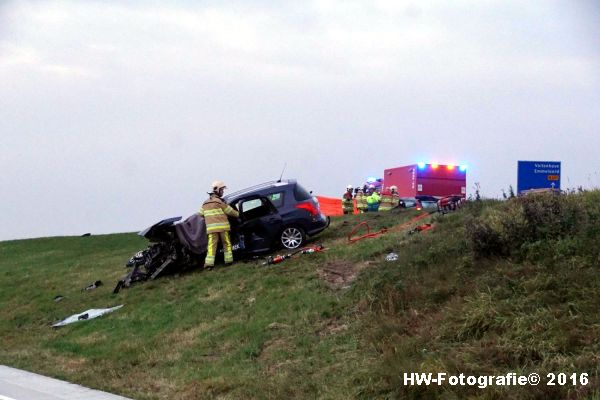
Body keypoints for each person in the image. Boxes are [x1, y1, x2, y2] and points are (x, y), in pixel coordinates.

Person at [199, 180, 239, 269]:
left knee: (211, 246)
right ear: (218, 190)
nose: (223, 192)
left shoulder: (205, 203)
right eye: (222, 190)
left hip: (211, 230)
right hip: (223, 228)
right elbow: (230, 211)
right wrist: (238, 214)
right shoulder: (220, 202)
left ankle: (209, 264)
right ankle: (228, 261)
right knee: (226, 244)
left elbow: (200, 214)